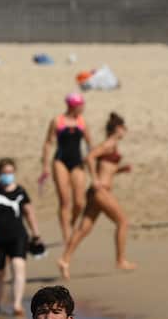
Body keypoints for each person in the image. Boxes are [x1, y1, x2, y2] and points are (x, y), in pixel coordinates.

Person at [57, 113, 136, 277]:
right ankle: (120, 260)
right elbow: (89, 157)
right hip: (100, 191)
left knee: (83, 229)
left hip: (97, 192)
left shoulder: (112, 145)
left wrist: (121, 170)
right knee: (123, 221)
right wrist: (94, 179)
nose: (125, 132)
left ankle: (65, 259)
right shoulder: (109, 144)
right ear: (117, 129)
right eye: (123, 129)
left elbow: (106, 168)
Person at [0, 158, 42, 315]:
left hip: (18, 236)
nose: (7, 175)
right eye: (4, 172)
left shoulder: (20, 191)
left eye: (10, 172)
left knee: (18, 266)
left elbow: (29, 213)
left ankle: (17, 304)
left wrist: (36, 233)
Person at [39, 93, 92, 245]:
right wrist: (45, 166)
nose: (82, 108)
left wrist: (91, 163)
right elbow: (48, 142)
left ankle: (71, 222)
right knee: (64, 200)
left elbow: (89, 144)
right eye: (80, 105)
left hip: (77, 161)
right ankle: (67, 235)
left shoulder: (82, 122)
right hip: (60, 161)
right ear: (72, 106)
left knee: (80, 202)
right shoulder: (58, 121)